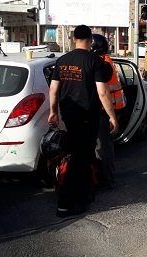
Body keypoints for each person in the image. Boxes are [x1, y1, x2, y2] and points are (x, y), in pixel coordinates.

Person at [48, 25, 118, 218]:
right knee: (79, 159)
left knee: (84, 156)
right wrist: (112, 116)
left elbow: (53, 90)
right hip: (87, 117)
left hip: (69, 116)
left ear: (73, 39)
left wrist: (53, 112)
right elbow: (102, 92)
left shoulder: (62, 61)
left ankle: (85, 194)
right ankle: (65, 204)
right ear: (90, 40)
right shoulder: (93, 61)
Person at [91, 34, 125, 189]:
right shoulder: (106, 60)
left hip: (107, 110)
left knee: (104, 147)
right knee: (104, 145)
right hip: (112, 107)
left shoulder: (102, 64)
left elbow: (102, 91)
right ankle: (102, 175)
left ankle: (107, 179)